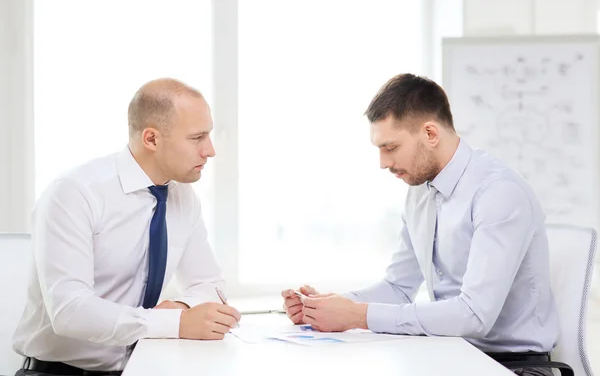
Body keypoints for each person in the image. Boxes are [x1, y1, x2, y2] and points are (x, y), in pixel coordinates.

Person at [282, 73, 560, 376]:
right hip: (450, 353)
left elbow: (473, 316)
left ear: (430, 133)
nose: (383, 163)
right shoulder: (420, 193)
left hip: (513, 366)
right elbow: (398, 287)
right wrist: (327, 309)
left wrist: (357, 316)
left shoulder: (498, 193)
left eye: (391, 148)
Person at [13, 78, 241, 376]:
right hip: (58, 372)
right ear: (151, 139)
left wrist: (180, 307)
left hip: (137, 368)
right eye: (197, 138)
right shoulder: (74, 193)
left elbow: (209, 284)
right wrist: (174, 323)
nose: (210, 150)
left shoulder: (182, 196)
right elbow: (70, 312)